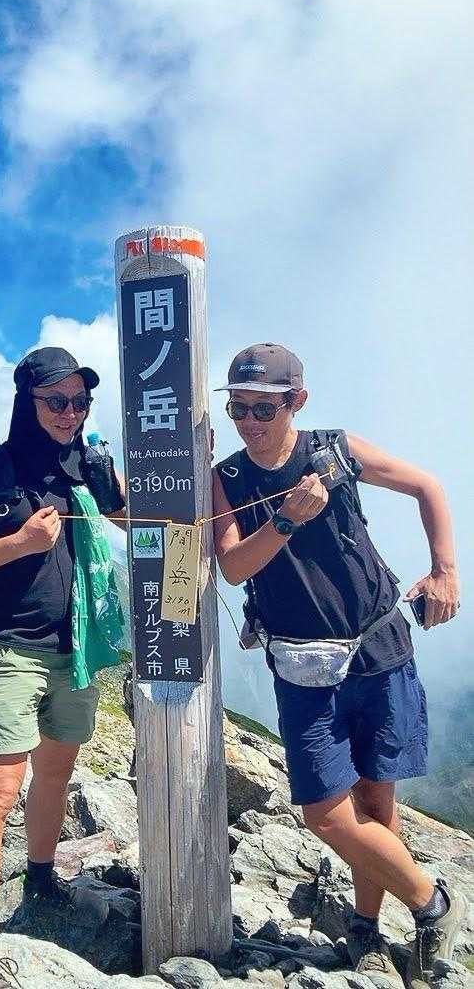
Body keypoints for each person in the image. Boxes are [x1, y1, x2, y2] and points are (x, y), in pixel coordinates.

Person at [211, 344, 466, 989]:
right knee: (326, 813)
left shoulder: (335, 450)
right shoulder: (228, 478)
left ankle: (366, 933)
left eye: (263, 408)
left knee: (377, 799)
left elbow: (426, 486)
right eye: (239, 408)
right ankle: (433, 904)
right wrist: (286, 519)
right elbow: (233, 567)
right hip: (303, 665)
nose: (249, 422)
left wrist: (444, 571)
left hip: (379, 645)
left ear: (296, 401)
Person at [0, 347, 125, 989]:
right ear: (28, 401)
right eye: (56, 401)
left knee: (56, 774)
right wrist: (19, 543)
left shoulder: (86, 465)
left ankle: (41, 881)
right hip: (11, 649)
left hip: (78, 648)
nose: (70, 414)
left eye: (80, 402)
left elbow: (134, 520)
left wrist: (147, 476)